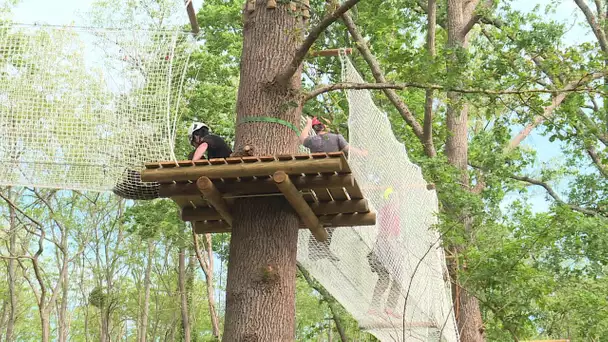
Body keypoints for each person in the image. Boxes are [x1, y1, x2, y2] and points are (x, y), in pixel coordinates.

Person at [367, 187, 404, 319]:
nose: (398, 200)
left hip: (380, 250)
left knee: (385, 278)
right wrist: (393, 252)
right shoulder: (390, 210)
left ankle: (376, 307)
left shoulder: (388, 211)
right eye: (396, 197)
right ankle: (386, 307)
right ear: (392, 198)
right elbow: (387, 234)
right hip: (384, 249)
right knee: (395, 277)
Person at [299, 117, 366, 156]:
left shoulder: (311, 140)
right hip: (334, 170)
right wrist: (361, 153)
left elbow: (302, 139)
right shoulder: (337, 137)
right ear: (324, 127)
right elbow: (348, 149)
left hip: (317, 170)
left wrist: (308, 124)